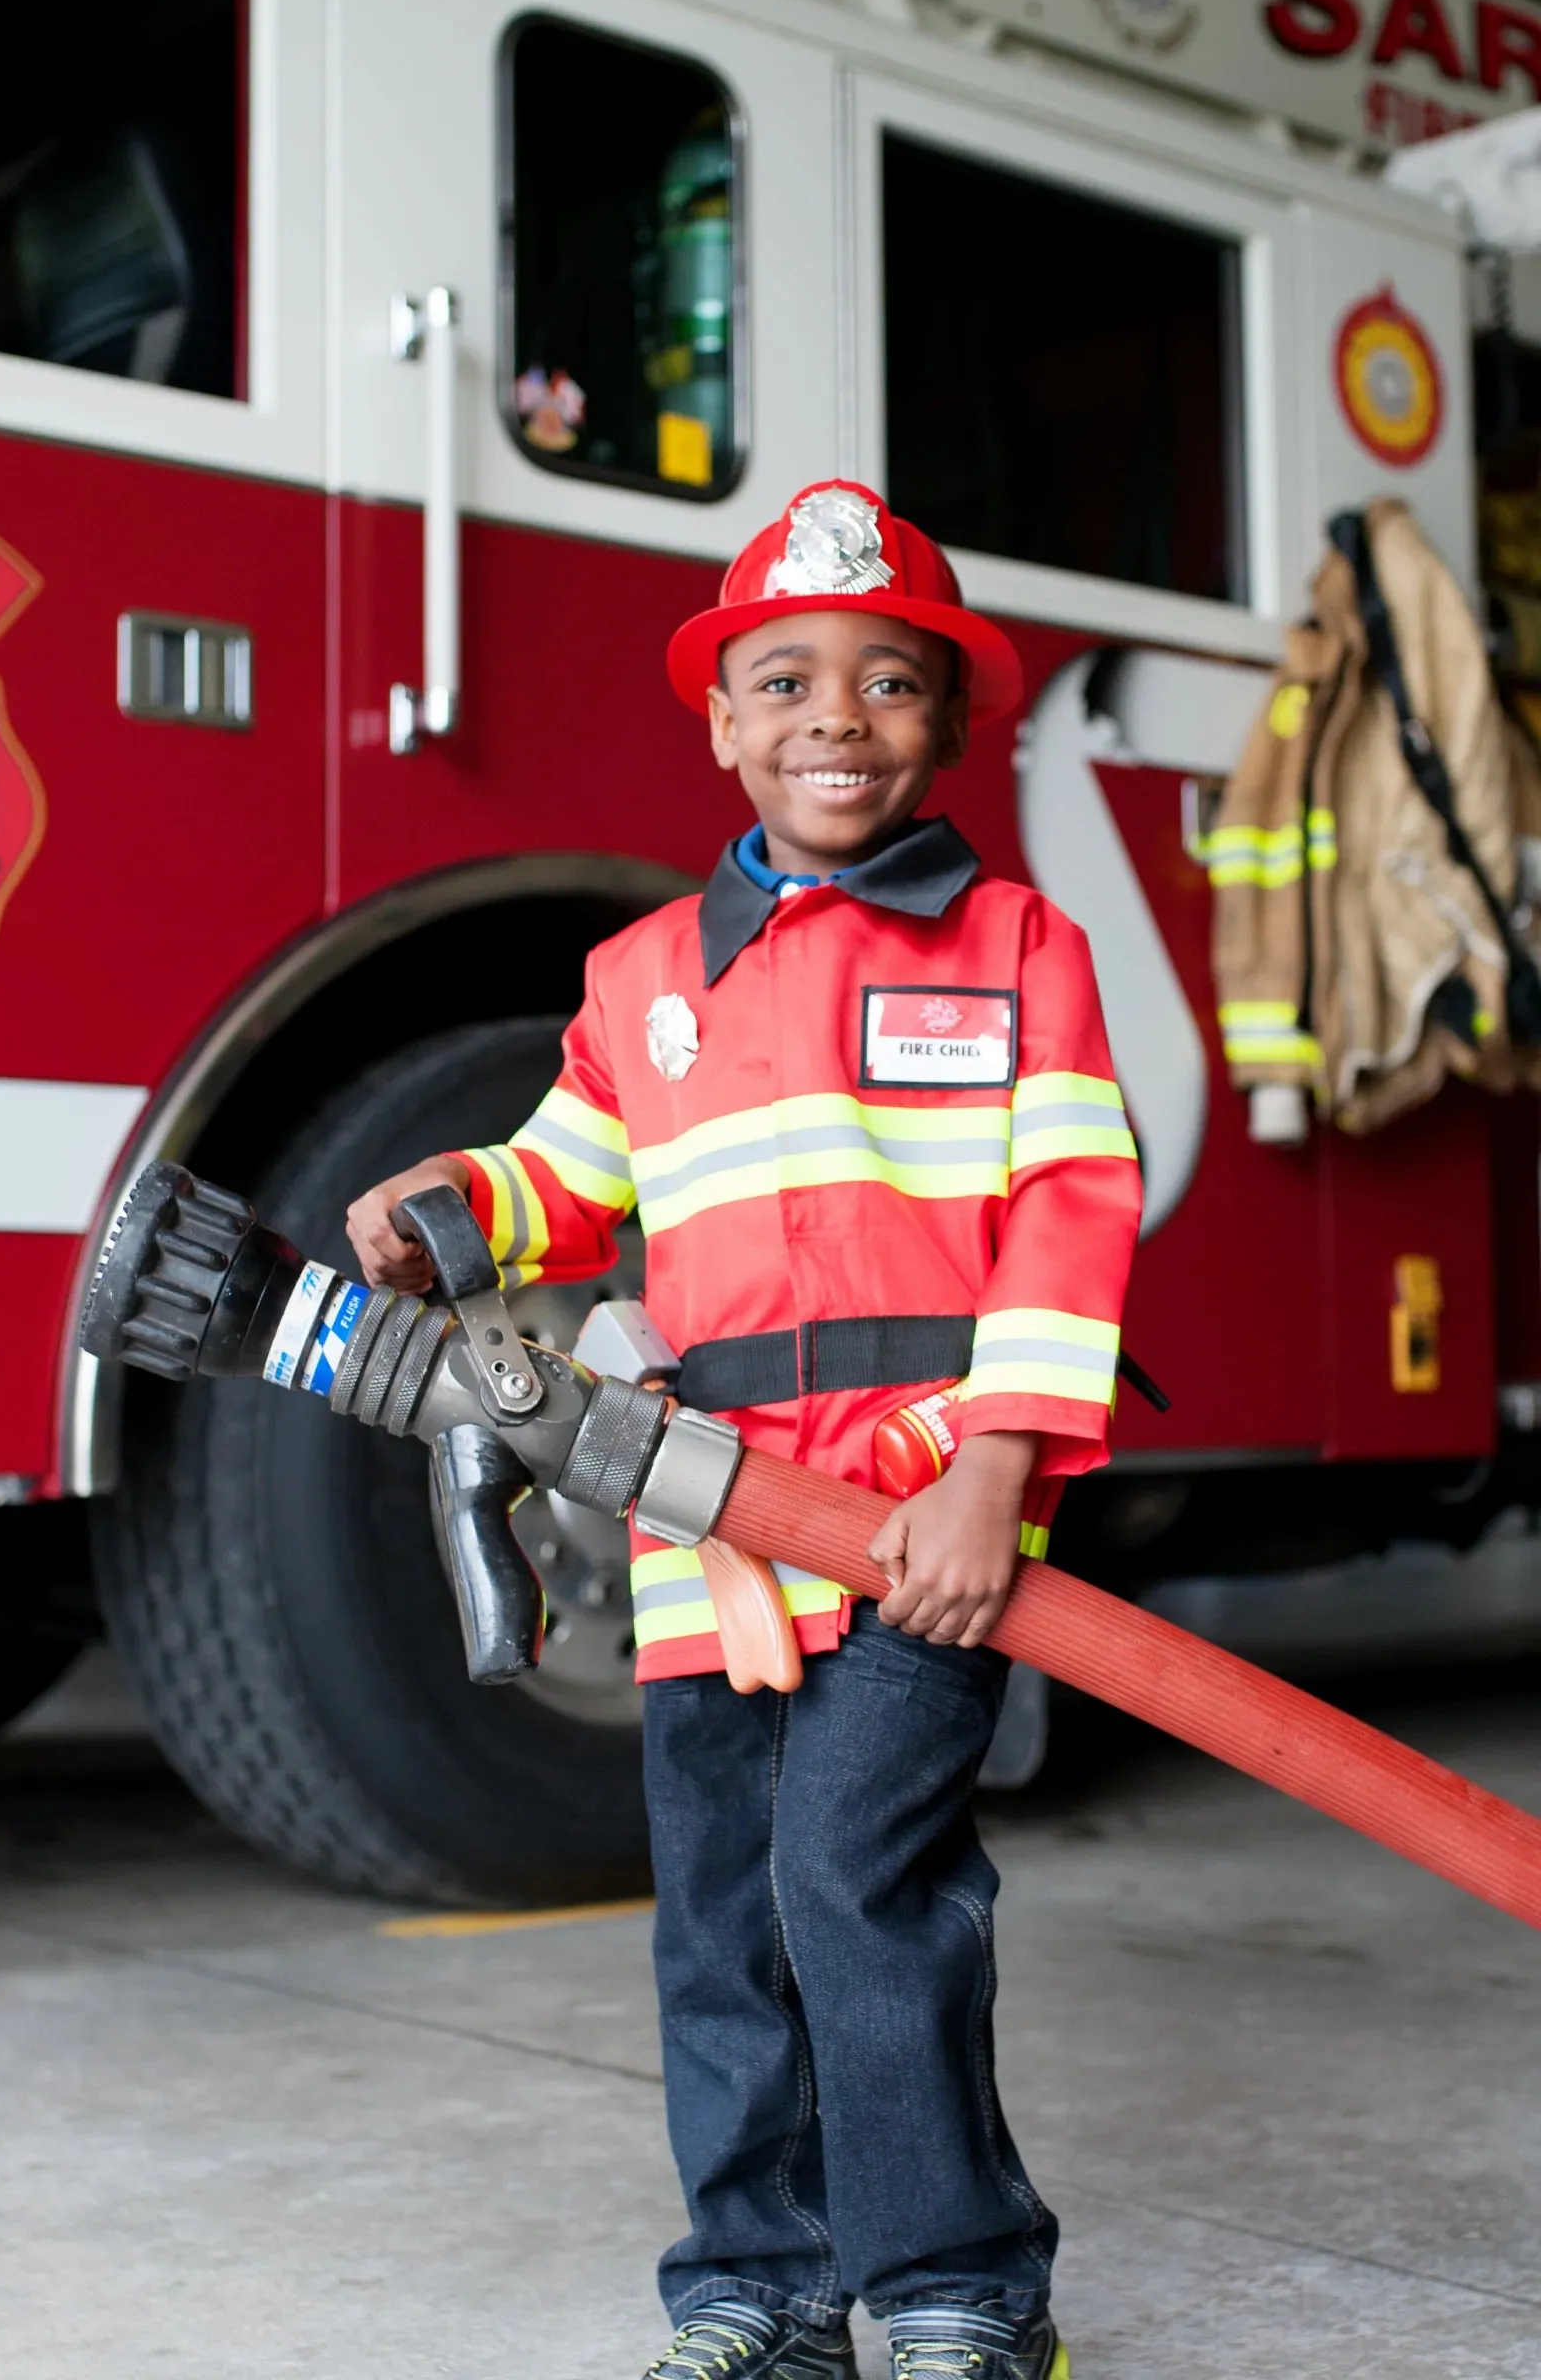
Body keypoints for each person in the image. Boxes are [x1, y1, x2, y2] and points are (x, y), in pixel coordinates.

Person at [346, 481, 1142, 2380]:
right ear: (721, 721)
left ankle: (958, 2289)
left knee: (855, 1883)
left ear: (947, 723)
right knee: (719, 1925)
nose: (833, 719)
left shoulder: (1020, 946)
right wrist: (454, 1195)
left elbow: (1073, 1203)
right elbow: (566, 1177)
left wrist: (998, 1472)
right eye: (784, 679)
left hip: (915, 1526)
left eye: (885, 682)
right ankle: (761, 2297)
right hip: (703, 1542)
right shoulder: (643, 982)